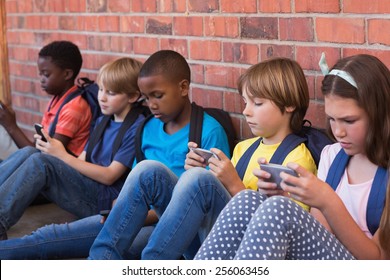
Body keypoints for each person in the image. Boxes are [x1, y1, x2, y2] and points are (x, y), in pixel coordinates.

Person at [0, 49, 230, 259]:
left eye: (158, 96)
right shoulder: (146, 128)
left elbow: (209, 203)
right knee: (52, 235)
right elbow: (137, 184)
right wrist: (121, 208)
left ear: (183, 87)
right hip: (132, 214)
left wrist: (128, 213)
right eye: (147, 97)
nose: (151, 104)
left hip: (173, 224)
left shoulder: (208, 131)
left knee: (126, 247)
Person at [88, 57, 317, 260]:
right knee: (149, 170)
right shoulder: (245, 147)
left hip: (243, 253)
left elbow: (284, 233)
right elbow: (221, 205)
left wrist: (231, 184)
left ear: (289, 105)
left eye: (257, 103)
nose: (246, 111)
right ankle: (100, 261)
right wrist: (197, 175)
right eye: (245, 102)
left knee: (198, 179)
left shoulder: (297, 160)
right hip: (210, 239)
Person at [195, 54, 390, 260]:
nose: (338, 132)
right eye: (331, 119)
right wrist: (282, 199)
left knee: (278, 209)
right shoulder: (332, 155)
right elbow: (319, 237)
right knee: (249, 199)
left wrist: (328, 201)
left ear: (379, 112)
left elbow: (378, 260)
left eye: (349, 121)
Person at [0, 57, 146, 242]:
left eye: (111, 93)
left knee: (41, 162)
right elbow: (83, 159)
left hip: (103, 201)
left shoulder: (137, 128)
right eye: (101, 89)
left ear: (133, 96)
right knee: (32, 152)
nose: (101, 97)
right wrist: (54, 150)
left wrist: (61, 155)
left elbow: (110, 175)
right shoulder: (103, 120)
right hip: (87, 186)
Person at [0, 40, 92, 159]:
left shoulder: (74, 107)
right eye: (40, 74)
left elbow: (47, 157)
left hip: (62, 171)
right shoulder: (56, 100)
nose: (42, 80)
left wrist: (11, 126)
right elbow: (36, 149)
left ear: (67, 74)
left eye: (46, 74)